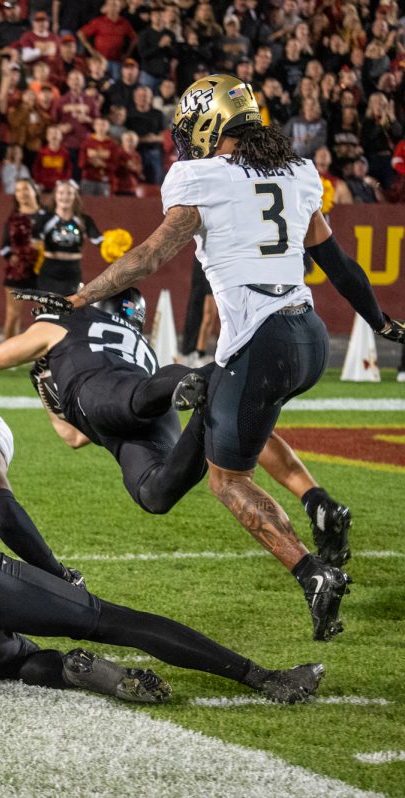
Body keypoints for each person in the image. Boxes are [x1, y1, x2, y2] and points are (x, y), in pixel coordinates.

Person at [50, 74, 405, 640]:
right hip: (307, 336)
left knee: (226, 480)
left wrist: (81, 296)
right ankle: (317, 504)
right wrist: (381, 320)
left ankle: (312, 574)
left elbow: (148, 257)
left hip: (260, 341)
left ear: (207, 126)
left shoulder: (200, 176)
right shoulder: (298, 172)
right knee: (238, 416)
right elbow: (337, 264)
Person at [0, 360, 325, 705]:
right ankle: (267, 679)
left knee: (16, 660)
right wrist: (56, 572)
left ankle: (74, 672)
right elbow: (2, 509)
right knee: (113, 621)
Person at [0, 288, 352, 566]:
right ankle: (311, 493)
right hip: (144, 405)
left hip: (116, 395)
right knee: (155, 494)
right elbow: (76, 436)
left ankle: (210, 375)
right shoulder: (143, 348)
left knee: (137, 397)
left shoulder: (69, 320)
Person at [33, 179, 102, 297]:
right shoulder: (45, 219)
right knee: (46, 312)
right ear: (55, 196)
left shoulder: (84, 220)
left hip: (72, 272)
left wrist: (114, 246)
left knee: (71, 312)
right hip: (49, 271)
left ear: (75, 196)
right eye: (61, 193)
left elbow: (101, 242)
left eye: (69, 193)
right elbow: (32, 242)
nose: (65, 197)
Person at [0, 177, 42, 341]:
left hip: (42, 273)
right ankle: (7, 355)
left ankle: (41, 356)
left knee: (44, 315)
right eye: (18, 190)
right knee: (13, 315)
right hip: (18, 273)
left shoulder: (47, 215)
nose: (22, 193)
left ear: (34, 191)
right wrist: (15, 259)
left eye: (25, 189)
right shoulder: (12, 219)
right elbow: (3, 248)